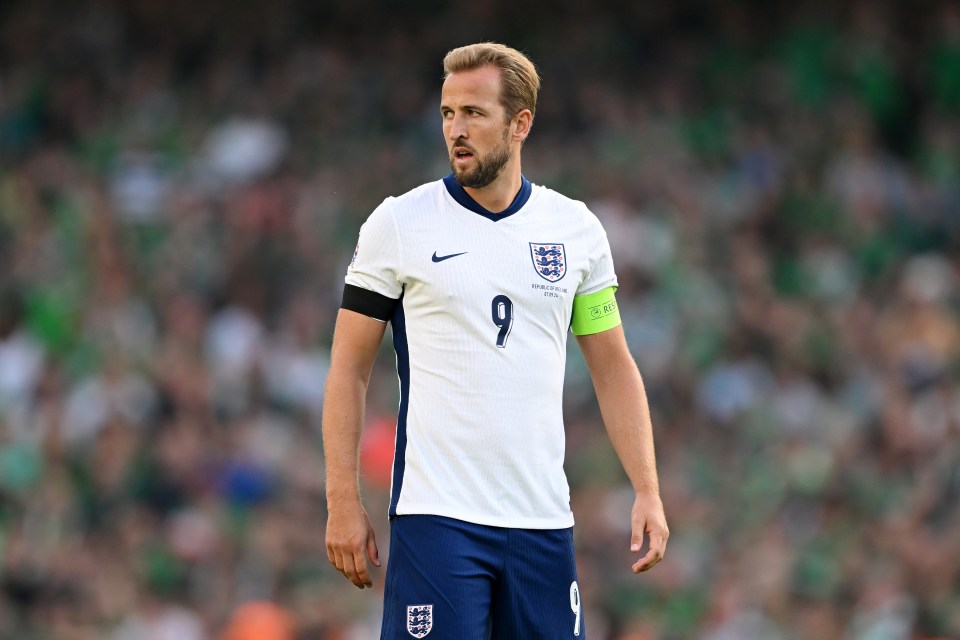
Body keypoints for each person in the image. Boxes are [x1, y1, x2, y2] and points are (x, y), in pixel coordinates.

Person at [323, 42, 668, 639]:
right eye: (448, 113)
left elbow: (613, 367)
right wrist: (342, 501)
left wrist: (647, 488)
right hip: (438, 519)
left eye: (474, 113)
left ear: (520, 123)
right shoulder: (399, 225)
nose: (456, 129)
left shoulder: (576, 231)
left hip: (541, 521)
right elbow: (349, 369)